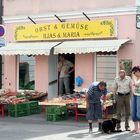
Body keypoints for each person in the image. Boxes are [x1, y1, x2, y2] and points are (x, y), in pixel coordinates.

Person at [131, 66, 140, 133]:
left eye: (134, 72)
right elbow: (133, 86)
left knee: (139, 113)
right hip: (135, 96)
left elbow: (137, 84)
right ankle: (136, 128)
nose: (134, 74)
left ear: (138, 71)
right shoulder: (136, 78)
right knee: (134, 112)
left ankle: (139, 129)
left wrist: (133, 83)